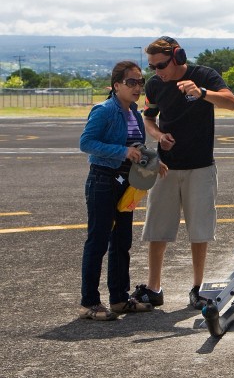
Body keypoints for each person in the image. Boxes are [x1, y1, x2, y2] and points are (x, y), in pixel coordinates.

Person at [132, 36, 234, 310]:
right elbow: (148, 118)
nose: (157, 72)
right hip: (166, 167)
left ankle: (198, 288)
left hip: (201, 166)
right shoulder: (156, 85)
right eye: (152, 66)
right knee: (157, 229)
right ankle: (154, 288)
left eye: (161, 65)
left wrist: (202, 92)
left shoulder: (204, 75)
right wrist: (158, 135)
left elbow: (231, 103)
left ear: (178, 57)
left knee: (199, 230)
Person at [78, 61, 161, 320]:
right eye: (131, 82)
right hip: (103, 180)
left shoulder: (135, 114)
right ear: (116, 86)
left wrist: (155, 162)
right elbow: (86, 143)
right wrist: (122, 151)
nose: (137, 87)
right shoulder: (103, 110)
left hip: (127, 184)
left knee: (122, 243)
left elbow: (137, 148)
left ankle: (119, 299)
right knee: (98, 241)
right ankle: (89, 303)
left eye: (140, 82)